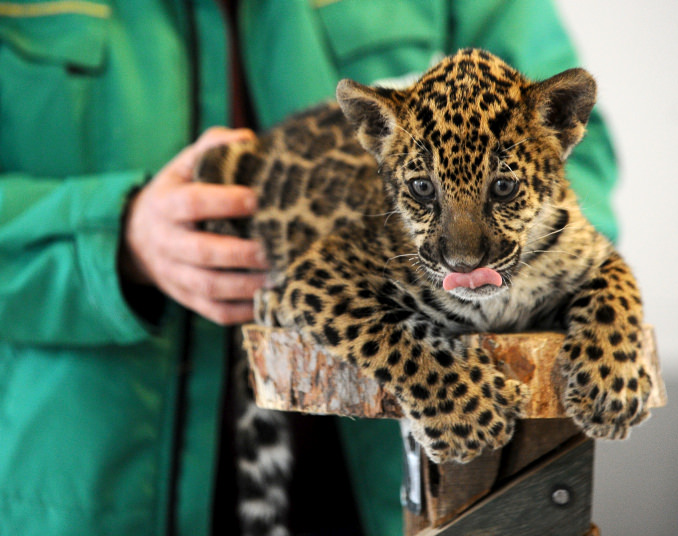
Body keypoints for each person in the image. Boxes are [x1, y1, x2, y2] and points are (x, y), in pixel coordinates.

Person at [0, 1, 618, 535]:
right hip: (89, 486)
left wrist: (416, 271)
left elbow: (573, 172)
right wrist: (114, 237)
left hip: (398, 492)